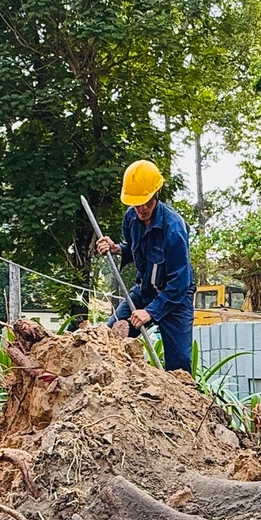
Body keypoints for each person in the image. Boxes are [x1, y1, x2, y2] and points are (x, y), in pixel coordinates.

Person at [94, 159, 195, 372]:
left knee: (179, 366)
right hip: (144, 291)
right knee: (108, 338)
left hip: (175, 298)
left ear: (155, 195)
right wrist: (116, 248)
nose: (142, 208)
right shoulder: (131, 219)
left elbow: (180, 281)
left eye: (147, 202)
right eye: (137, 203)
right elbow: (137, 250)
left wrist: (151, 312)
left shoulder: (174, 229)